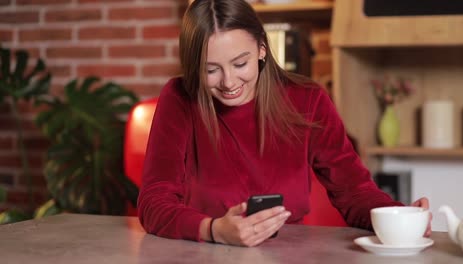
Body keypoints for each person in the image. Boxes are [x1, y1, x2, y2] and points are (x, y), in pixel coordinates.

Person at [137, 0, 431, 247]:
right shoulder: (179, 98)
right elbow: (153, 204)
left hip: (286, 254)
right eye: (210, 70)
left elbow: (353, 191)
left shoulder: (308, 100)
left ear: (262, 49)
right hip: (201, 252)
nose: (229, 83)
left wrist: (399, 217)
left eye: (240, 63)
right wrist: (213, 230)